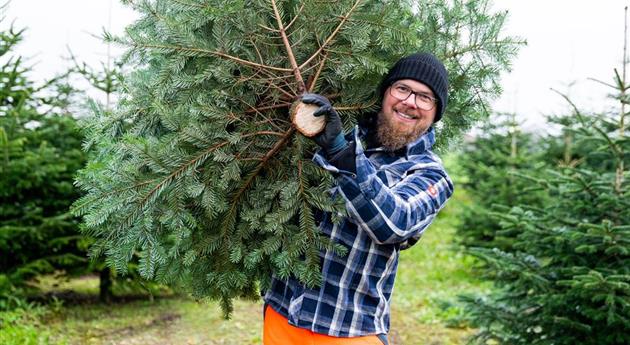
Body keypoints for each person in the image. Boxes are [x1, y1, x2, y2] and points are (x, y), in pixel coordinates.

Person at [263, 53, 454, 345]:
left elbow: (395, 224)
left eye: (425, 97)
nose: (411, 101)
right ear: (386, 93)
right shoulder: (341, 133)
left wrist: (342, 154)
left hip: (349, 330)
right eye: (402, 88)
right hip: (282, 313)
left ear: (436, 112)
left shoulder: (431, 175)